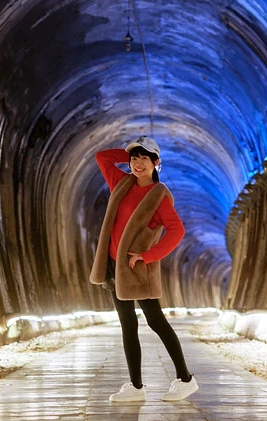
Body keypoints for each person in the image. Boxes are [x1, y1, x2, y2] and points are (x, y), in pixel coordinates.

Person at [89, 135, 199, 403]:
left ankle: (186, 379)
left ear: (156, 162)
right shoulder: (121, 183)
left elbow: (176, 230)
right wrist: (128, 154)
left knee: (156, 321)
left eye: (144, 158)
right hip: (116, 266)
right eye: (134, 159)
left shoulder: (158, 197)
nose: (138, 164)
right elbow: (102, 158)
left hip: (138, 268)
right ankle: (136, 387)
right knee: (128, 324)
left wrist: (149, 256)